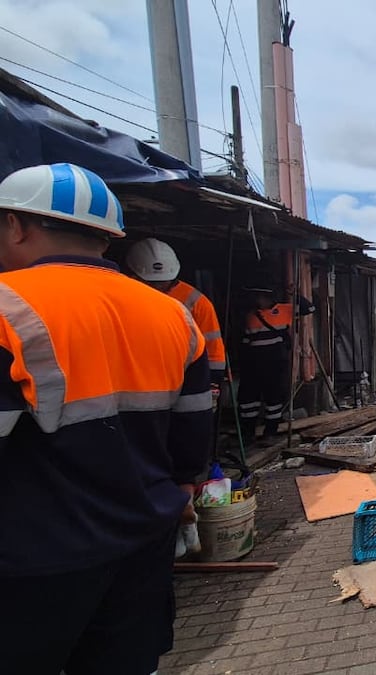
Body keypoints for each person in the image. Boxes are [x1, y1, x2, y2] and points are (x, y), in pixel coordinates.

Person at [0, 163, 211, 672]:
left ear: (16, 225)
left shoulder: (8, 306)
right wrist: (182, 489)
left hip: (35, 556)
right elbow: (195, 422)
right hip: (144, 540)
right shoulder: (172, 314)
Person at [126, 237, 227, 386]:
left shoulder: (197, 302)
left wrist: (213, 382)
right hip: (139, 377)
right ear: (133, 276)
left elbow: (213, 348)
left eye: (163, 283)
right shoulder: (123, 296)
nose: (158, 287)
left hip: (185, 377)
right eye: (151, 283)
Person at [238, 285, 314, 439]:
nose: (258, 300)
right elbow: (246, 342)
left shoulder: (285, 310)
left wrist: (296, 294)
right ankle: (247, 433)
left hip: (274, 362)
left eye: (261, 297)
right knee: (248, 400)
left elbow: (310, 308)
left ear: (269, 298)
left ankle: (270, 433)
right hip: (254, 363)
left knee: (273, 399)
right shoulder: (251, 315)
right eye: (257, 297)